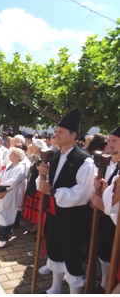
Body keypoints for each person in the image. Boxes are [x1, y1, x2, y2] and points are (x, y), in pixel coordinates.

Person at [37, 109, 96, 294]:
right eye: (56, 131)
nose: (57, 134)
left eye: (61, 131)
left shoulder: (85, 161)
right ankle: (55, 286)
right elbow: (43, 185)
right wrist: (42, 177)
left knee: (72, 255)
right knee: (54, 249)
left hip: (73, 219)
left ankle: (75, 292)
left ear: (74, 135)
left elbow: (82, 193)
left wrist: (53, 191)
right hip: (54, 214)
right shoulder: (53, 157)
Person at [90, 127, 120, 291]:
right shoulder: (107, 163)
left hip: (115, 221)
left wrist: (104, 201)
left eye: (115, 141)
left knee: (112, 251)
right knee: (102, 249)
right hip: (103, 218)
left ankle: (109, 282)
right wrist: (100, 188)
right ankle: (104, 280)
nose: (110, 144)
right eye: (109, 140)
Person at [0, 147, 28, 248]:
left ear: (17, 157)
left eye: (11, 154)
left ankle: (3, 239)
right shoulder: (9, 164)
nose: (9, 155)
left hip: (10, 193)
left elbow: (13, 181)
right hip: (2, 191)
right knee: (1, 213)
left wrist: (1, 184)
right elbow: (2, 174)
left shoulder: (21, 167)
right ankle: (6, 235)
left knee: (2, 214)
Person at [23, 138, 50, 234]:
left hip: (37, 186)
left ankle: (38, 225)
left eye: (34, 146)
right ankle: (35, 222)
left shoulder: (42, 159)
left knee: (38, 207)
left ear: (38, 148)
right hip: (33, 183)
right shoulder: (35, 157)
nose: (32, 147)